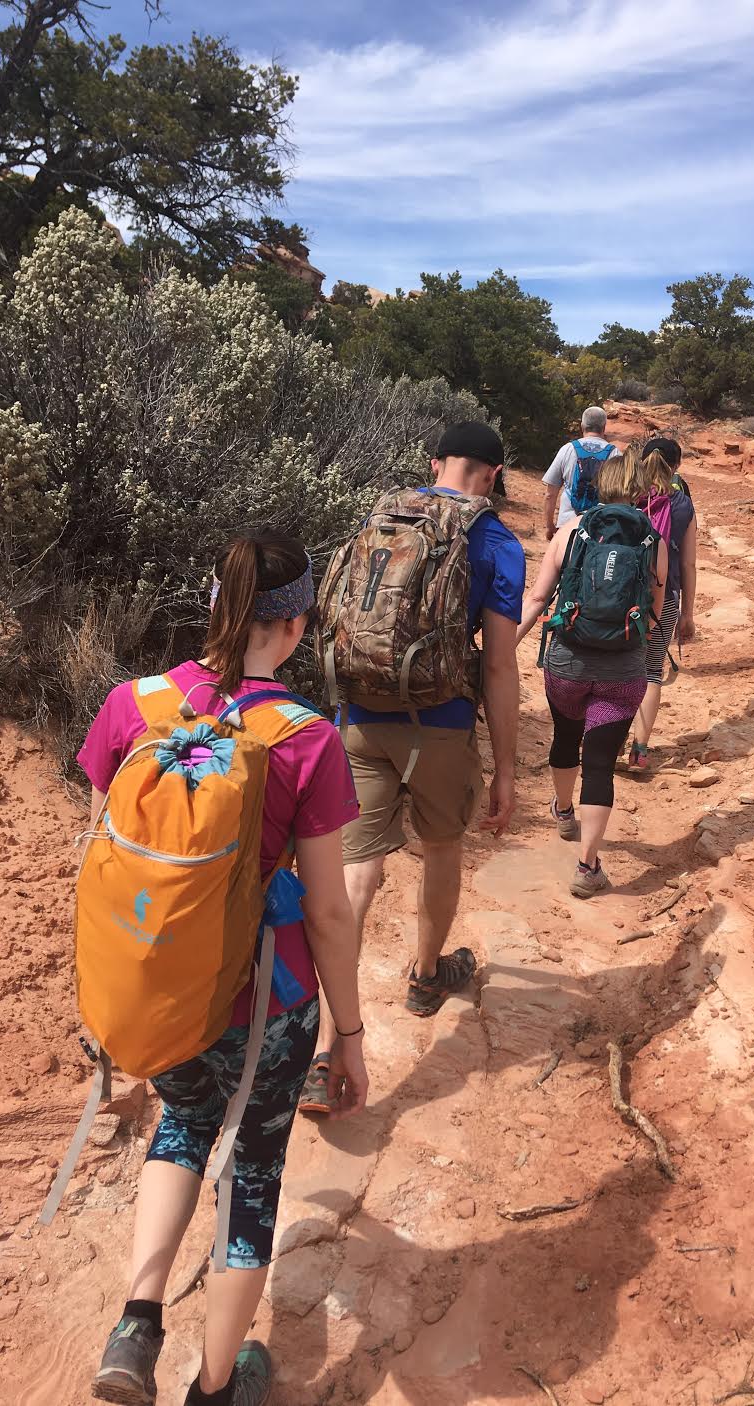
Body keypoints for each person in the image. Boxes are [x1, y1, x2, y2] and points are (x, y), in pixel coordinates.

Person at [79, 529, 366, 1406]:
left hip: (158, 982)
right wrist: (348, 1034)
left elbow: (101, 851)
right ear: (299, 625)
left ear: (214, 604)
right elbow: (325, 907)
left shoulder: (134, 703)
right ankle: (213, 1386)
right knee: (253, 1169)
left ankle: (136, 1323)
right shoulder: (306, 738)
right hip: (262, 1004)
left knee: (181, 1125)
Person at [301, 422, 524, 1110]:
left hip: (359, 715)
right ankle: (427, 975)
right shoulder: (495, 542)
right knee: (441, 848)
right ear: (490, 474)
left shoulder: (381, 515)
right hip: (441, 726)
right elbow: (497, 662)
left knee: (356, 872)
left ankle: (322, 1046)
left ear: (434, 463)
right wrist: (509, 768)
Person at [518, 447, 668, 898]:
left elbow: (538, 599)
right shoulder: (653, 543)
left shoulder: (569, 532)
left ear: (600, 485)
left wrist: (505, 646)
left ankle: (564, 811)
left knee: (566, 736)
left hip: (567, 664)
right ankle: (587, 868)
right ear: (641, 491)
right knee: (600, 762)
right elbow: (657, 614)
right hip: (622, 671)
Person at [628, 437, 698, 770]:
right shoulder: (683, 504)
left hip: (621, 596)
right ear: (677, 466)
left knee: (617, 666)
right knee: (652, 672)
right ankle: (639, 751)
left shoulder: (626, 495)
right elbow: (688, 564)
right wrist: (688, 613)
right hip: (664, 597)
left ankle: (606, 742)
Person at [542, 405, 621, 539]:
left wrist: (550, 527)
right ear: (604, 427)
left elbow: (550, 494)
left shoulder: (567, 449)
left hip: (567, 526)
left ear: (582, 426)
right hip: (599, 529)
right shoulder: (615, 454)